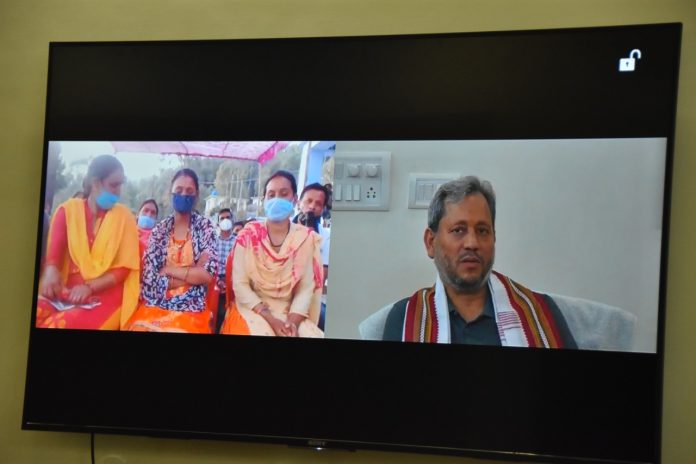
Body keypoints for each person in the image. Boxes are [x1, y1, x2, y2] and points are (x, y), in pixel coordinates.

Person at [383, 176, 577, 348]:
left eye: (482, 231)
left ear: (494, 239)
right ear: (431, 242)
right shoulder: (406, 318)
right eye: (458, 230)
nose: (472, 243)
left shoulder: (541, 313)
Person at [36, 155, 140, 330]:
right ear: (96, 183)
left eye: (120, 185)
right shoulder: (67, 211)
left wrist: (89, 288)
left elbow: (124, 268)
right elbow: (53, 260)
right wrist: (50, 271)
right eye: (114, 185)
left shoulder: (124, 217)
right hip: (66, 292)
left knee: (59, 325)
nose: (118, 192)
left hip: (105, 295)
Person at [220, 170, 323, 337]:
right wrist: (271, 319)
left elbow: (305, 289)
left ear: (294, 199)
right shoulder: (248, 235)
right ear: (264, 200)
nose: (276, 199)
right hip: (252, 307)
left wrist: (291, 323)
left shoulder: (305, 238)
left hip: (291, 311)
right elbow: (240, 285)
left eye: (284, 194)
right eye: (271, 195)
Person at [125, 168, 218, 333]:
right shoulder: (159, 231)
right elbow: (150, 281)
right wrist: (193, 275)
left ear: (196, 196)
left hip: (192, 305)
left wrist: (169, 270)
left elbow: (206, 275)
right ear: (171, 193)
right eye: (179, 190)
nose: (183, 195)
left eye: (189, 191)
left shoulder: (205, 228)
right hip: (157, 302)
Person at [292, 182, 331, 329]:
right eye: (308, 201)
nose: (312, 206)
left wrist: (311, 240)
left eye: (318, 204)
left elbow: (322, 276)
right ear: (299, 203)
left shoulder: (326, 237)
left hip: (310, 299)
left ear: (323, 209)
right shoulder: (284, 228)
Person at [214, 207, 236, 333]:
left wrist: (228, 282)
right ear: (218, 222)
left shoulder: (238, 241)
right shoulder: (212, 241)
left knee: (228, 316)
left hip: (233, 285)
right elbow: (208, 264)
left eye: (228, 217)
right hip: (214, 284)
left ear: (232, 220)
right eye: (222, 218)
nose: (225, 220)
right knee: (214, 316)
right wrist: (219, 281)